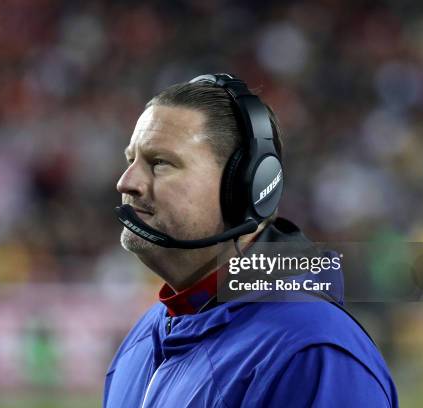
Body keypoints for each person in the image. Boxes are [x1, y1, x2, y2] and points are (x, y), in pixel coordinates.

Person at [104, 74, 398, 407]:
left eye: (159, 163)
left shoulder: (313, 355)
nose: (126, 183)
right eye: (131, 160)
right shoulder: (142, 338)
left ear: (246, 190)